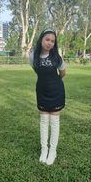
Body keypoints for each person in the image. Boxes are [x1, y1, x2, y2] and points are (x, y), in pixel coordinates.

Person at [29, 29, 66, 165]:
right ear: (41, 40)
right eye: (47, 39)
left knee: (54, 122)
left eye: (52, 41)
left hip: (56, 91)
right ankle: (44, 150)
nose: (50, 43)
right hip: (42, 91)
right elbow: (36, 70)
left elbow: (62, 73)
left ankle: (53, 151)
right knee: (44, 121)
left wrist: (53, 82)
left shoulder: (57, 57)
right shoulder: (33, 56)